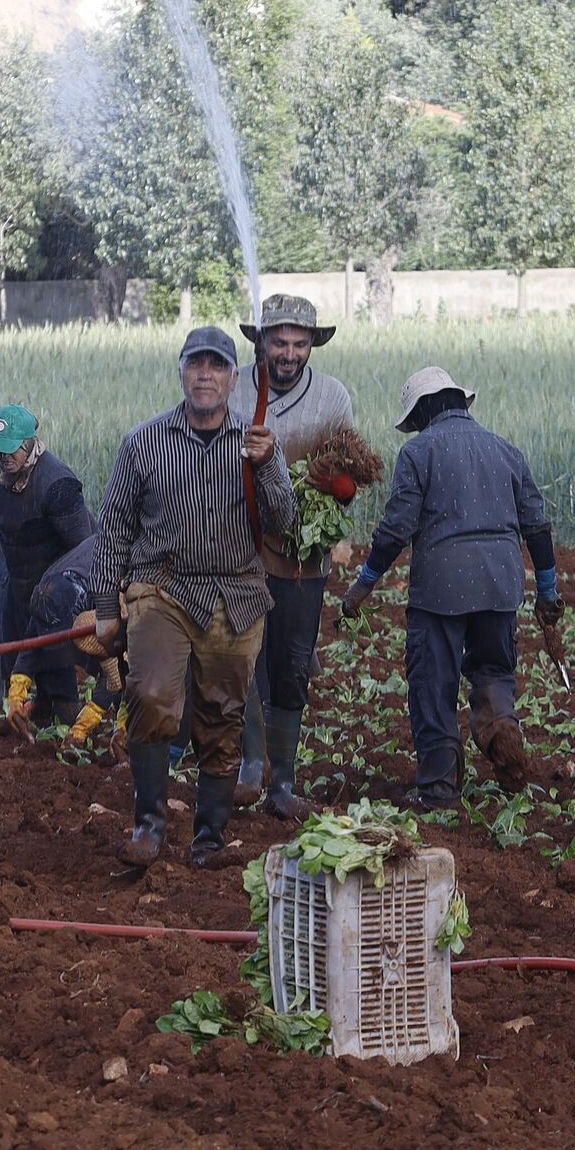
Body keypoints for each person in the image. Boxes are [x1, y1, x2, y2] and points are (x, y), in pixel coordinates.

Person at [91, 326, 295, 868]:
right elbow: (114, 529)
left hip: (237, 592)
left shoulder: (256, 442)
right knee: (152, 693)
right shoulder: (144, 442)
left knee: (223, 715)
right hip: (164, 587)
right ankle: (149, 826)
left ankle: (208, 839)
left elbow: (284, 523)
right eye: (196, 364)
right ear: (181, 372)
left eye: (217, 365)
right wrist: (108, 609)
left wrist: (269, 465)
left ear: (234, 378)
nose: (205, 374)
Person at [339, 367, 559, 808]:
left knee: (431, 684)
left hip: (441, 588)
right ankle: (503, 739)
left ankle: (439, 787)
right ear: (459, 400)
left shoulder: (418, 452)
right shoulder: (506, 450)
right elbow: (537, 525)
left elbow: (396, 528)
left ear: (423, 409)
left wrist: (363, 583)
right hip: (501, 584)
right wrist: (548, 590)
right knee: (494, 671)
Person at [225, 293, 356, 819]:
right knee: (242, 659)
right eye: (279, 342)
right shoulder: (232, 388)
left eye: (300, 344)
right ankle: (249, 766)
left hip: (302, 556)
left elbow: (347, 484)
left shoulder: (332, 397)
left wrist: (331, 483)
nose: (289, 353)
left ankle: (283, 781)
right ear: (261, 343)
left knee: (292, 666)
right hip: (237, 548)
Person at [0, 404, 95, 732]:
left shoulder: (58, 485)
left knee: (54, 658)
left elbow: (87, 546)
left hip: (54, 586)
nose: (4, 458)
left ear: (29, 445)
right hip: (19, 580)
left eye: (11, 451)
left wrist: (65, 597)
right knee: (15, 652)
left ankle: (65, 721)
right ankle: (30, 714)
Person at [7, 534, 125, 745]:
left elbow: (116, 673)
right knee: (66, 714)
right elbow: (31, 644)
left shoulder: (107, 598)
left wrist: (84, 725)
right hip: (87, 572)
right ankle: (42, 703)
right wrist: (16, 696)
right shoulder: (48, 592)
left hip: (137, 583)